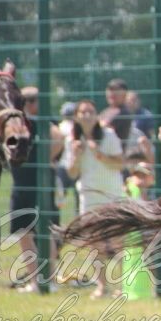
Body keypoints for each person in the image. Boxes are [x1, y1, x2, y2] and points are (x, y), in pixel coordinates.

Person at [65, 99, 124, 298]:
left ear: (96, 115)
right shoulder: (72, 140)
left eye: (91, 111)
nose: (87, 115)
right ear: (77, 117)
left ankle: (123, 286)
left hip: (112, 194)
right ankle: (102, 286)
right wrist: (76, 155)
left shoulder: (108, 135)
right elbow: (72, 173)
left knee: (117, 241)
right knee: (94, 242)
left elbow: (119, 163)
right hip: (88, 196)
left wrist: (99, 154)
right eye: (83, 112)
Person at [9, 86, 57, 292]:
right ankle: (39, 280)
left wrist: (44, 160)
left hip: (33, 183)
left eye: (33, 99)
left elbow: (59, 139)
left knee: (39, 232)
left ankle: (45, 280)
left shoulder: (41, 122)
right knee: (27, 232)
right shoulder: (17, 123)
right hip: (24, 183)